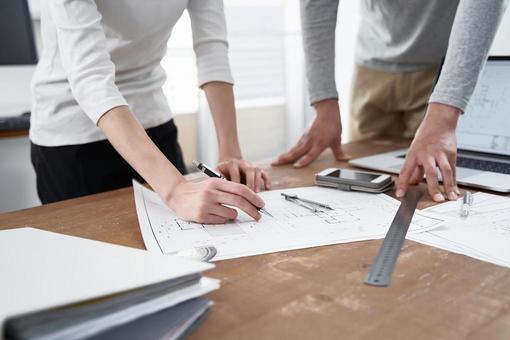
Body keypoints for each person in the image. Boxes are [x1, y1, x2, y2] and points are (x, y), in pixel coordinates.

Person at [30, 0, 270, 224]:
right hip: (74, 134)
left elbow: (211, 48)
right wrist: (175, 190)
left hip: (152, 120)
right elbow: (91, 79)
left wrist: (230, 153)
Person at [273, 0, 506, 202]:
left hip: (443, 75)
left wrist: (445, 111)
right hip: (371, 70)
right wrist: (323, 102)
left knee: (436, 186)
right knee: (367, 183)